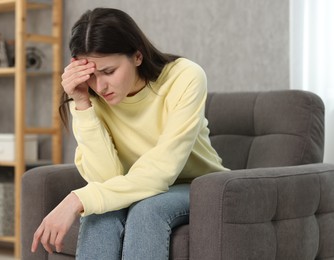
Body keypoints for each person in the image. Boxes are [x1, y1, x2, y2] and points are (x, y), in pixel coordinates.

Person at [31, 7, 228, 259]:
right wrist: (81, 104)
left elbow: (161, 172)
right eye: (91, 75)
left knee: (147, 209)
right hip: (132, 184)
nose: (100, 86)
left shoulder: (184, 77)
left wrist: (76, 199)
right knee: (100, 212)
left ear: (137, 56)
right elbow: (105, 178)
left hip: (196, 185)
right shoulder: (87, 94)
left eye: (109, 72)